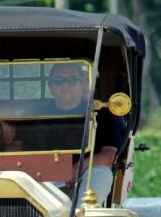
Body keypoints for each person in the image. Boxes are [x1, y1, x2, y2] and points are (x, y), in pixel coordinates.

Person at [43, 63, 126, 205]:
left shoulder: (102, 115)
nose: (65, 86)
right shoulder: (40, 114)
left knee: (103, 173)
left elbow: (109, 156)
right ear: (50, 87)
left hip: (84, 176)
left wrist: (78, 167)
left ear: (83, 85)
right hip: (46, 178)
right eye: (58, 81)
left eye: (72, 80)